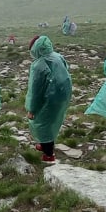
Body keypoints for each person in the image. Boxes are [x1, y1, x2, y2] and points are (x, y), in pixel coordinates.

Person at [25, 35, 72, 163]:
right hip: (62, 95)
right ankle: (44, 143)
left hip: (49, 98)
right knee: (53, 121)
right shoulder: (58, 57)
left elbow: (36, 91)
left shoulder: (39, 65)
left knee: (42, 123)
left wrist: (32, 109)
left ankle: (49, 155)